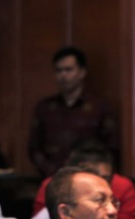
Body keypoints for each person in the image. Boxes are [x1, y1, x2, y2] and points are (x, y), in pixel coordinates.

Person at [27, 47, 119, 178]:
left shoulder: (99, 108)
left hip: (90, 177)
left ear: (82, 72)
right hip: (52, 176)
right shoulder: (44, 107)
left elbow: (111, 148)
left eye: (68, 70)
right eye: (59, 70)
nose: (63, 75)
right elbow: (34, 147)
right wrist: (50, 172)